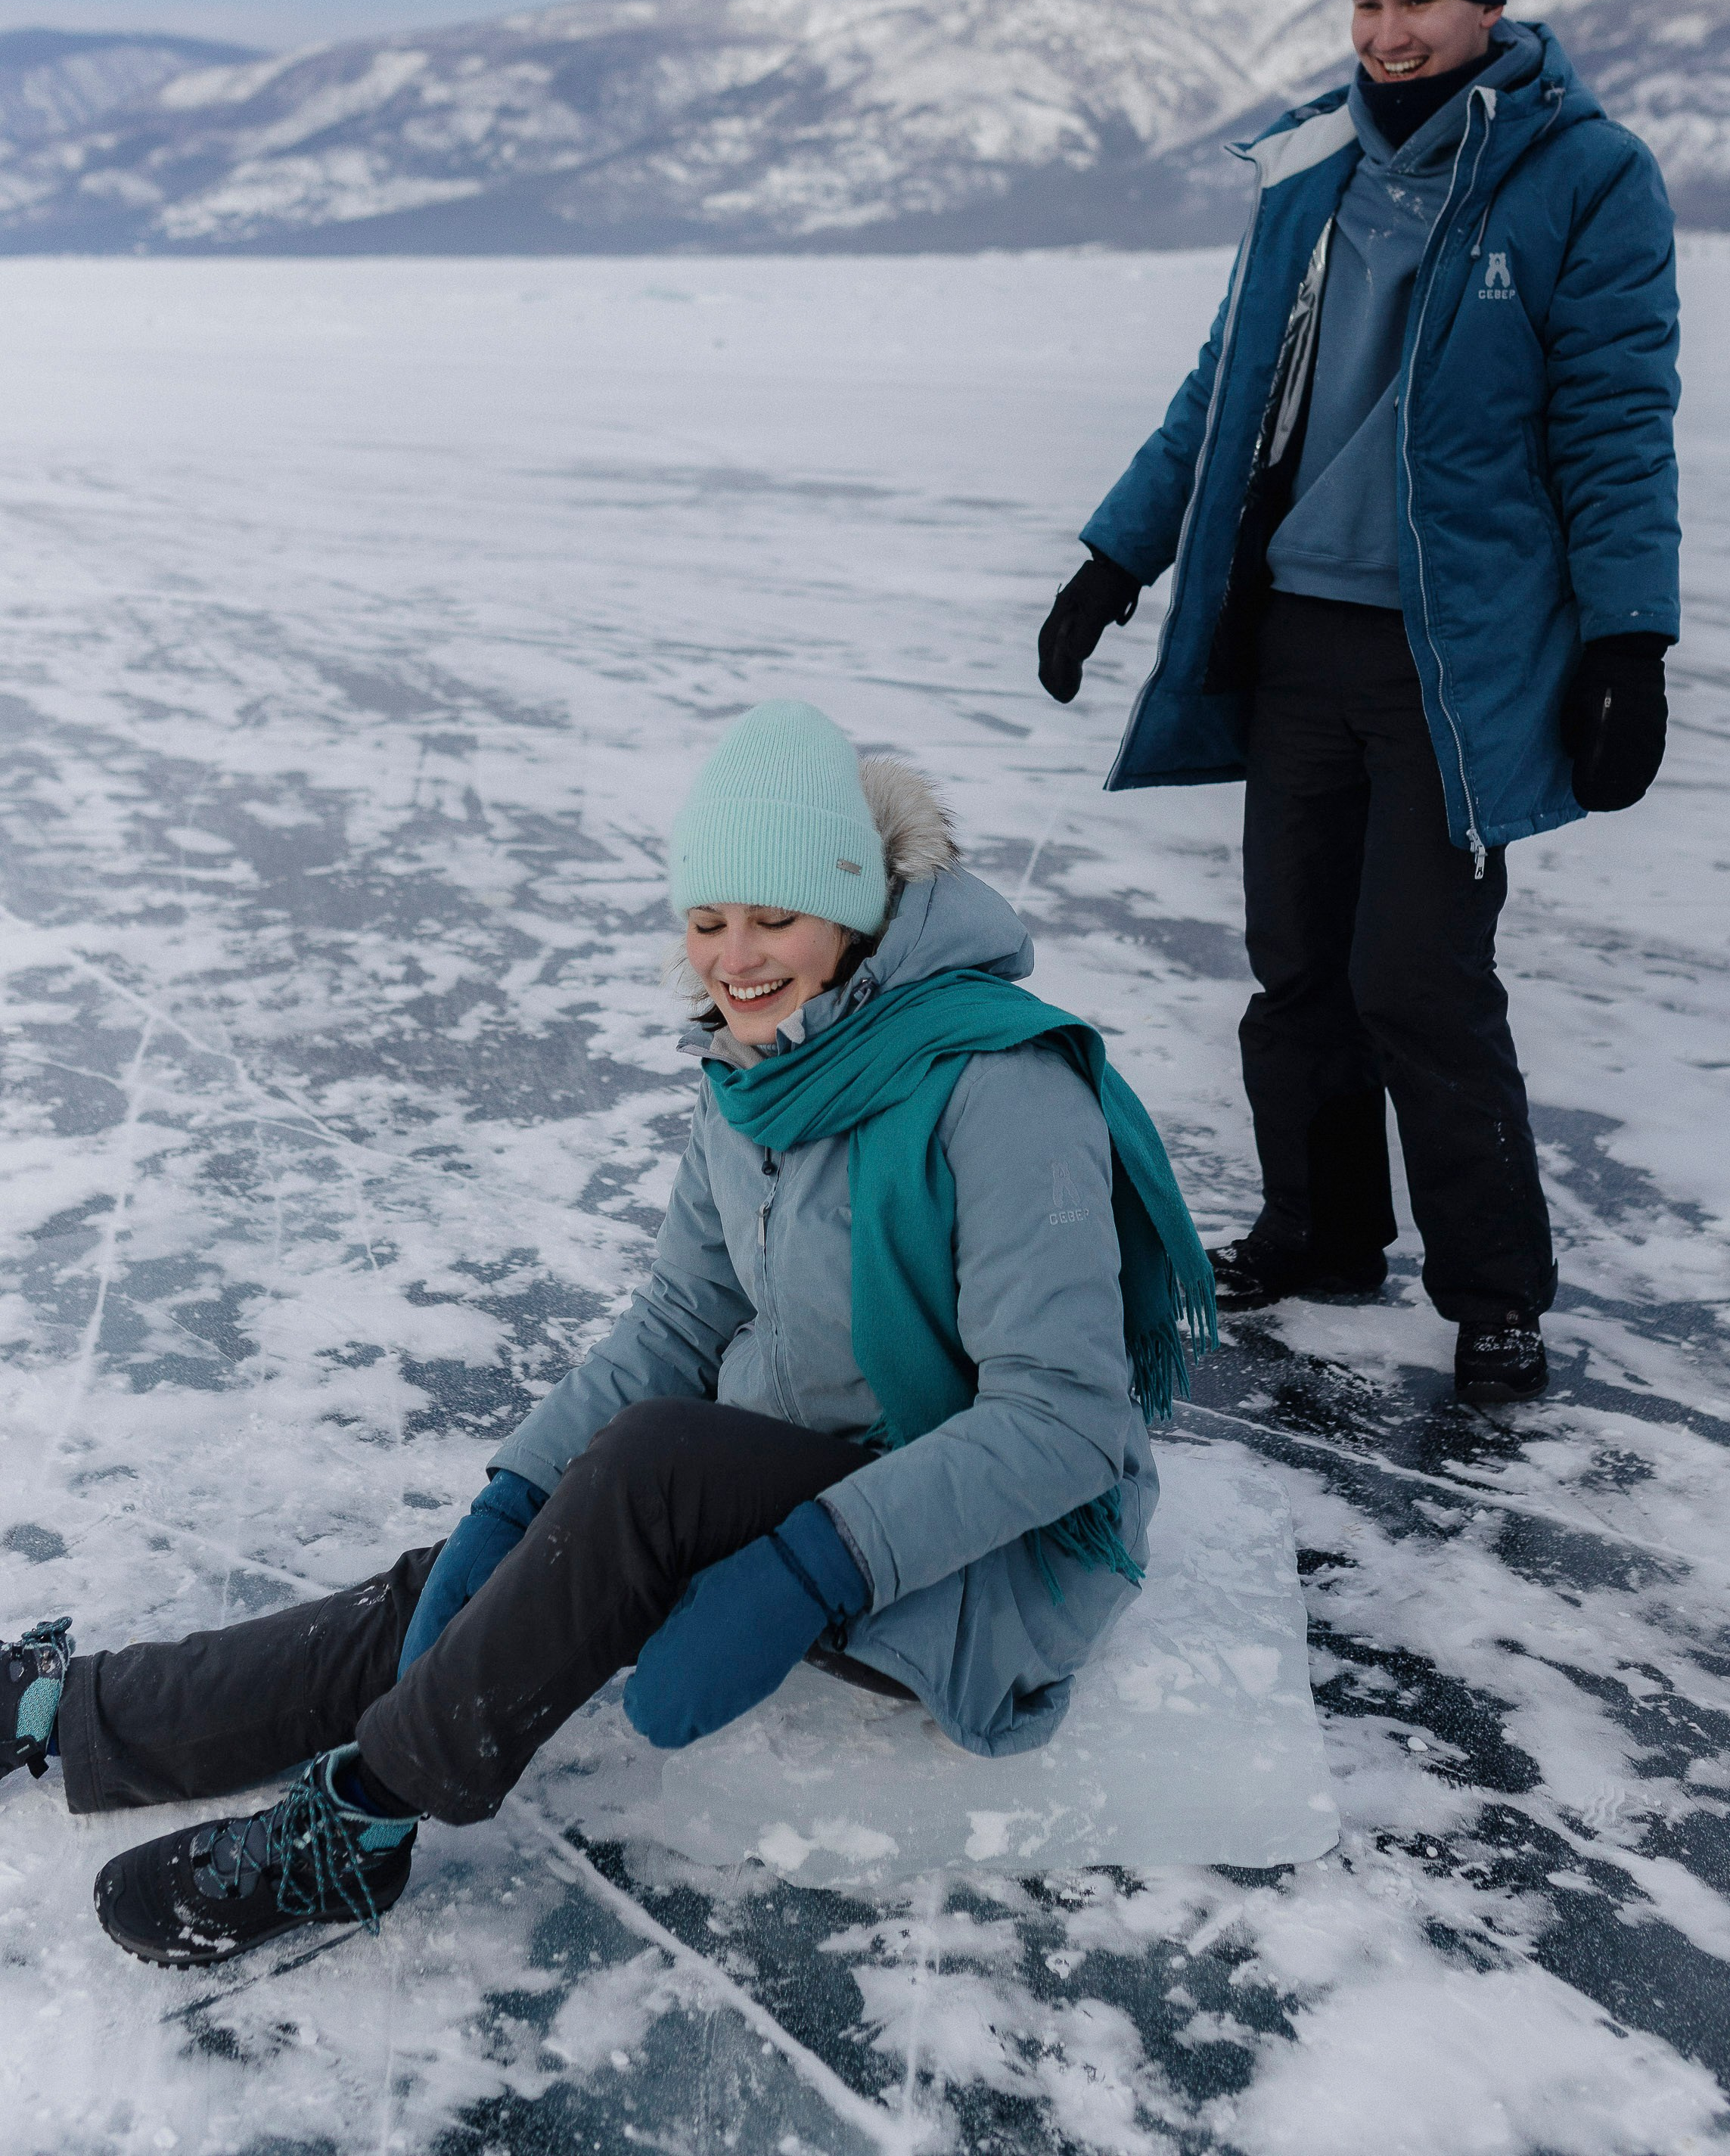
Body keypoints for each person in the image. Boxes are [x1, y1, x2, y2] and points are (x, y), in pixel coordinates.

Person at [4, 702, 1213, 1968]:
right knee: (494, 1576)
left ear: (854, 913)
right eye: (707, 921)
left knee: (644, 1475)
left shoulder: (997, 1085)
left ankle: (363, 1821)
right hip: (799, 1469)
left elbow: (1063, 1417)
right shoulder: (760, 1069)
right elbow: (683, 1316)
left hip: (980, 1547)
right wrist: (516, 1495)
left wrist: (813, 1565)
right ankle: (69, 1712)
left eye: (775, 918)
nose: (734, 958)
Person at [1037, 0, 1679, 1407]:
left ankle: (1493, 1293)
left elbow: (1613, 424)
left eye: (1419, 3)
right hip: (1294, 639)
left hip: (1453, 656)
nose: (1387, 32)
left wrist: (1628, 640)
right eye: (1368, 2)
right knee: (1296, 966)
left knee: (1419, 978)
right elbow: (1220, 392)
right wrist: (1112, 559)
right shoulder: (1310, 165)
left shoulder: (1583, 174)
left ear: (1487, 7)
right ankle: (1320, 1233)